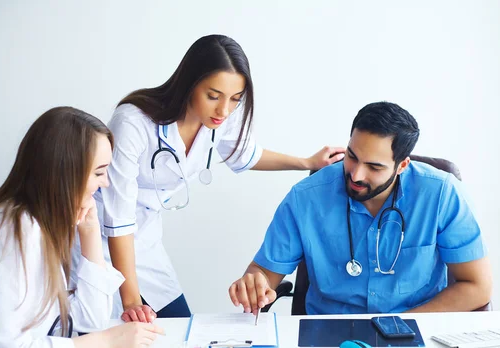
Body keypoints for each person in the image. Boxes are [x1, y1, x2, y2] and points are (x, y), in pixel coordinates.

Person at [94, 34, 345, 321]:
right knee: (115, 328)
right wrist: (131, 302)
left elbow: (246, 155)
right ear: (189, 85)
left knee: (177, 326)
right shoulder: (133, 123)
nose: (224, 110)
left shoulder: (220, 118)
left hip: (145, 238)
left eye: (235, 99)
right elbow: (119, 219)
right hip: (99, 237)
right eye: (213, 96)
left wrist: (306, 162)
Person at [0, 107, 164, 348]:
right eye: (100, 173)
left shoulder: (44, 227)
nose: (105, 184)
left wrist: (90, 233)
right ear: (67, 172)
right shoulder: (12, 233)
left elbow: (91, 320)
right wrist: (107, 342)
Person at [228, 101, 493, 315]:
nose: (355, 175)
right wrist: (255, 284)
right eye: (352, 157)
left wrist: (402, 324)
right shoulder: (305, 199)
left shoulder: (441, 195)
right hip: (328, 338)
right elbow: (262, 274)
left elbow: (477, 286)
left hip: (415, 331)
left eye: (374, 167)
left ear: (402, 165)